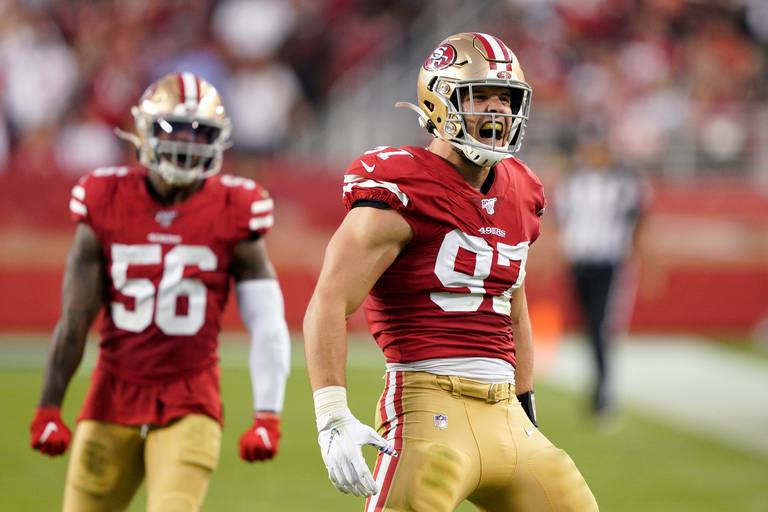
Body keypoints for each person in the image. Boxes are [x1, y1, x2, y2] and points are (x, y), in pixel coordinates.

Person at [304, 33, 598, 511]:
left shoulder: (521, 189)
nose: (496, 112)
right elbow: (329, 302)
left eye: (506, 99)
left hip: (505, 411)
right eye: (479, 96)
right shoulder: (401, 184)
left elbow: (513, 306)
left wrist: (525, 405)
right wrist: (332, 415)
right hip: (429, 409)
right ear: (438, 100)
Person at [29, 72, 291, 512]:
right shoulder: (105, 196)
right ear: (144, 131)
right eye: (175, 131)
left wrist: (268, 413)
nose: (188, 144)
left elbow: (266, 321)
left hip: (191, 399)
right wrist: (48, 407)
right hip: (112, 394)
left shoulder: (235, 207)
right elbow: (74, 319)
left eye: (201, 133)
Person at [554, 131, 650, 418]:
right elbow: (562, 222)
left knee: (602, 327)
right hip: (579, 261)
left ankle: (603, 393)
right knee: (587, 327)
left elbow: (639, 219)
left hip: (609, 262)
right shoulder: (572, 183)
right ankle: (598, 387)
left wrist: (642, 257)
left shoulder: (623, 184)